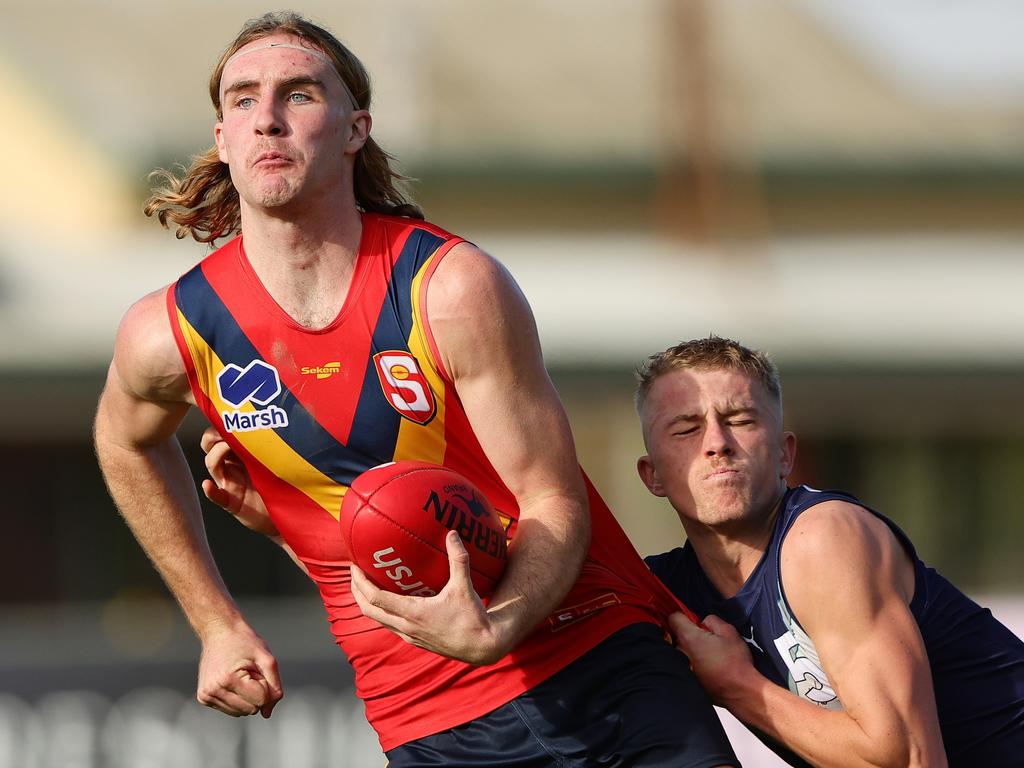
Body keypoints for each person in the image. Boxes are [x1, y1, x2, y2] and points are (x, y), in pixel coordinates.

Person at [93, 11, 739, 766]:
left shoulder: (450, 288)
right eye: (243, 100)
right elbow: (122, 441)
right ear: (222, 139)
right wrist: (216, 624)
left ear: (354, 128)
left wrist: (499, 623)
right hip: (425, 720)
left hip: (599, 664)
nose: (267, 118)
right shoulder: (171, 331)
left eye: (298, 95)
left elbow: (551, 498)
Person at [635, 336, 1024, 767]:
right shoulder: (663, 590)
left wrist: (736, 684)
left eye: (740, 420)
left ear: (785, 455)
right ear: (652, 475)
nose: (717, 443)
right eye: (686, 429)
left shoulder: (822, 537)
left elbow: (909, 759)